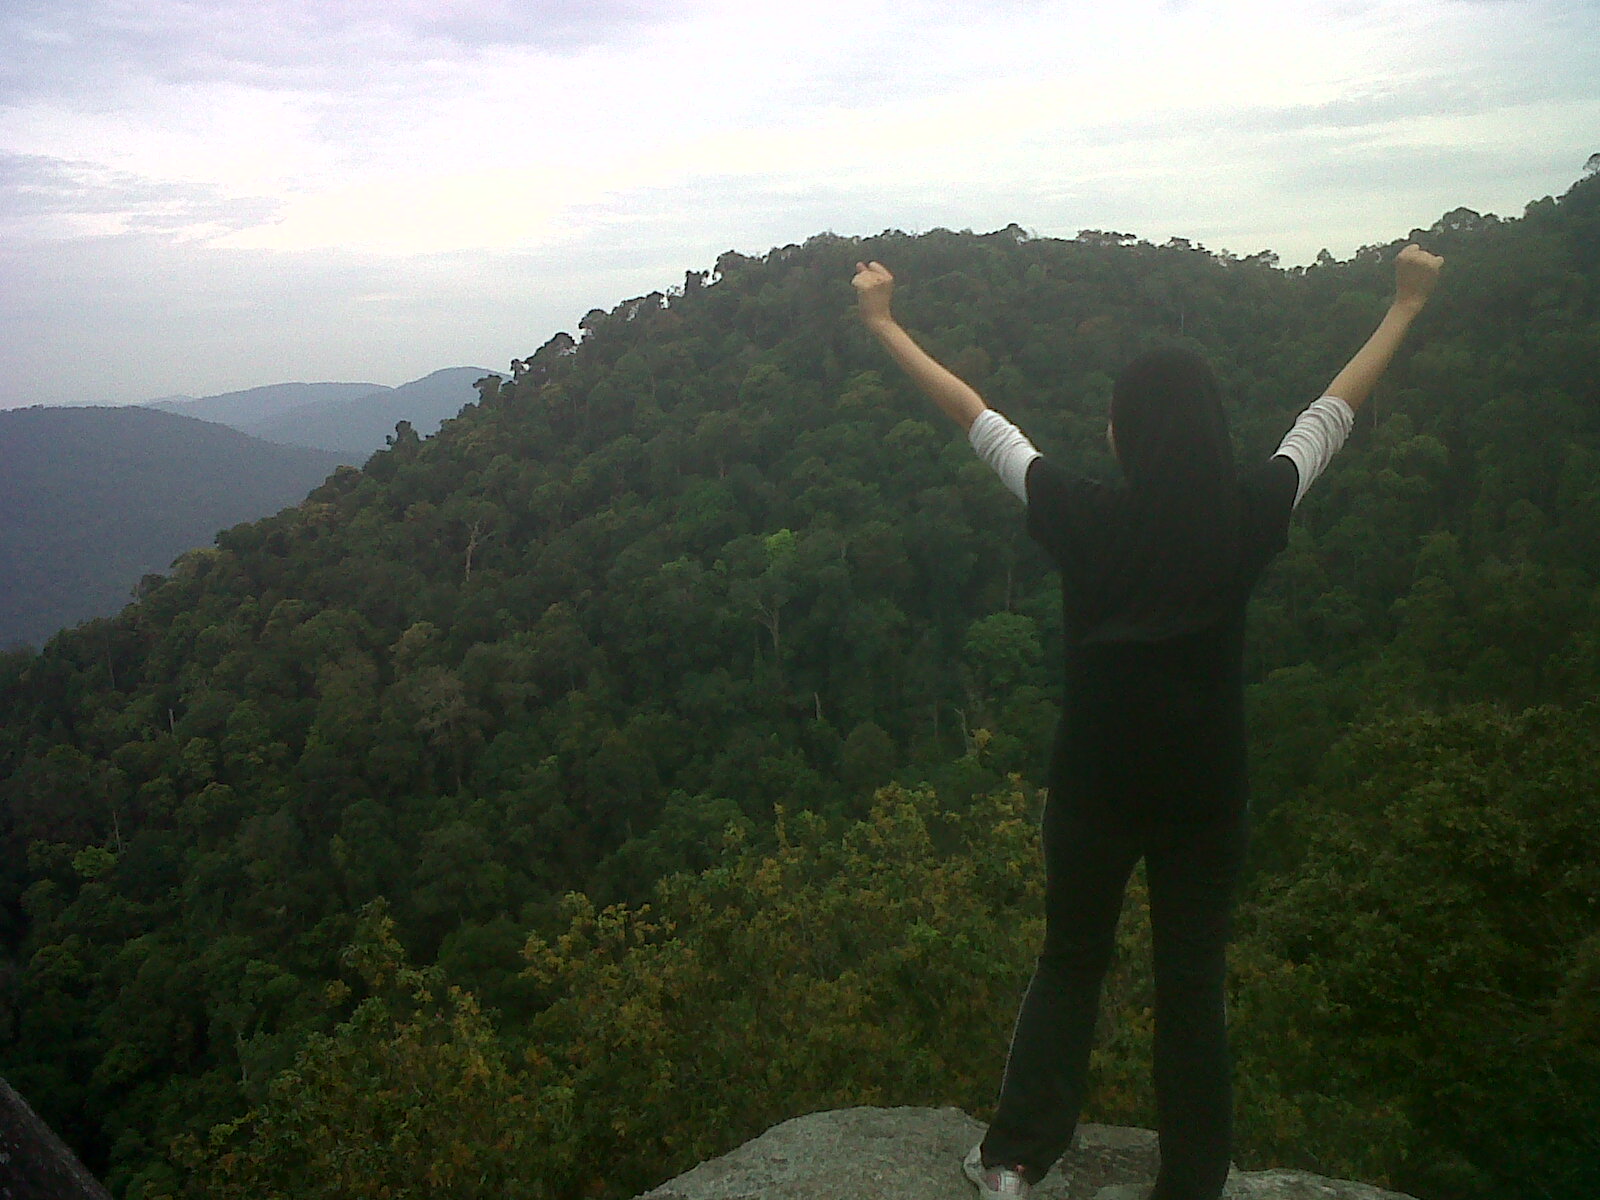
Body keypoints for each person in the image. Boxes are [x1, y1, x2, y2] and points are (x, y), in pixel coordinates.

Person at [852, 243, 1444, 1200]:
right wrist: (1405, 306)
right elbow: (1328, 418)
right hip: (1207, 797)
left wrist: (883, 324)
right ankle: (1194, 1180)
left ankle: (1014, 1162)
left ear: (1125, 433)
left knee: (1070, 962)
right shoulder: (1246, 513)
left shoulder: (1084, 515)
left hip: (1093, 790)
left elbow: (977, 419)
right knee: (1192, 983)